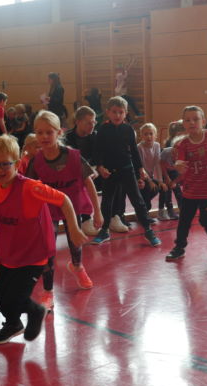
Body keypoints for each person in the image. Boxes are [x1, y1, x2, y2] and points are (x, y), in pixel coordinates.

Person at [0, 135, 88, 345]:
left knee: (15, 298)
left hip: (34, 255)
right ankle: (14, 323)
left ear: (16, 164)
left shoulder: (31, 188)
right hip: (9, 255)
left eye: (4, 164)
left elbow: (64, 200)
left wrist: (74, 227)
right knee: (0, 299)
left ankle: (34, 311)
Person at [24, 110, 102, 310]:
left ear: (59, 132)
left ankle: (77, 266)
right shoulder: (36, 162)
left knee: (75, 240)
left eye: (49, 132)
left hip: (71, 206)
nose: (44, 137)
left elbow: (89, 183)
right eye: (39, 133)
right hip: (47, 210)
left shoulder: (74, 157)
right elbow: (28, 190)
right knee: (48, 250)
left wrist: (97, 211)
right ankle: (48, 291)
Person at [90, 96, 161, 247]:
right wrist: (100, 167)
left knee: (138, 201)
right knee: (107, 202)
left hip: (127, 169)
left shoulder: (128, 129)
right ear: (108, 112)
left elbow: (134, 152)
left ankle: (148, 230)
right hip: (109, 171)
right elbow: (98, 152)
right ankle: (104, 230)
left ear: (126, 113)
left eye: (120, 112)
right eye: (114, 112)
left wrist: (140, 168)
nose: (117, 115)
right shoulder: (102, 130)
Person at [165, 106, 207, 262]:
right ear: (184, 124)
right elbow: (180, 162)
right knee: (184, 220)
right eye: (187, 120)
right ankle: (179, 247)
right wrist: (178, 166)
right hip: (190, 189)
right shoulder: (183, 144)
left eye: (195, 119)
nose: (192, 122)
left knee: (205, 220)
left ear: (203, 121)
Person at [63, 106, 101, 235]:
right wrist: (88, 170)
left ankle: (114, 215)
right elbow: (70, 159)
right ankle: (86, 219)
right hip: (73, 173)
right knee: (82, 181)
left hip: (92, 171)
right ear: (78, 122)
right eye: (88, 123)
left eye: (94, 122)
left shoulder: (95, 136)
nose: (92, 125)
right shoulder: (67, 138)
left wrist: (97, 168)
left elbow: (98, 157)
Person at [136, 123, 168, 218]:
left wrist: (160, 181)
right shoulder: (139, 147)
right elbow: (141, 166)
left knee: (162, 187)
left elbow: (157, 164)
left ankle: (161, 210)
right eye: (145, 134)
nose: (149, 136)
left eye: (151, 133)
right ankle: (143, 213)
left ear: (155, 135)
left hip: (149, 176)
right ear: (141, 136)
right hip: (140, 176)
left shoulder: (157, 145)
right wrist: (149, 181)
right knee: (147, 189)